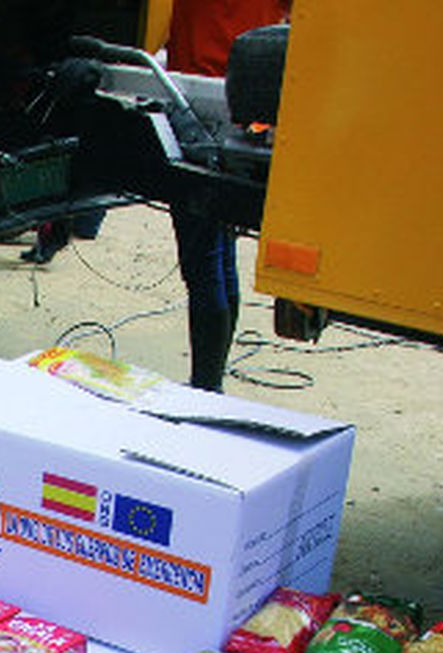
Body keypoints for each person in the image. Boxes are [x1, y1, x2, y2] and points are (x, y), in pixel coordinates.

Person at [167, 0, 289, 390]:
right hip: (245, 107)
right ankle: (210, 379)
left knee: (203, 259)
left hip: (193, 102)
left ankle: (206, 385)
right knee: (220, 250)